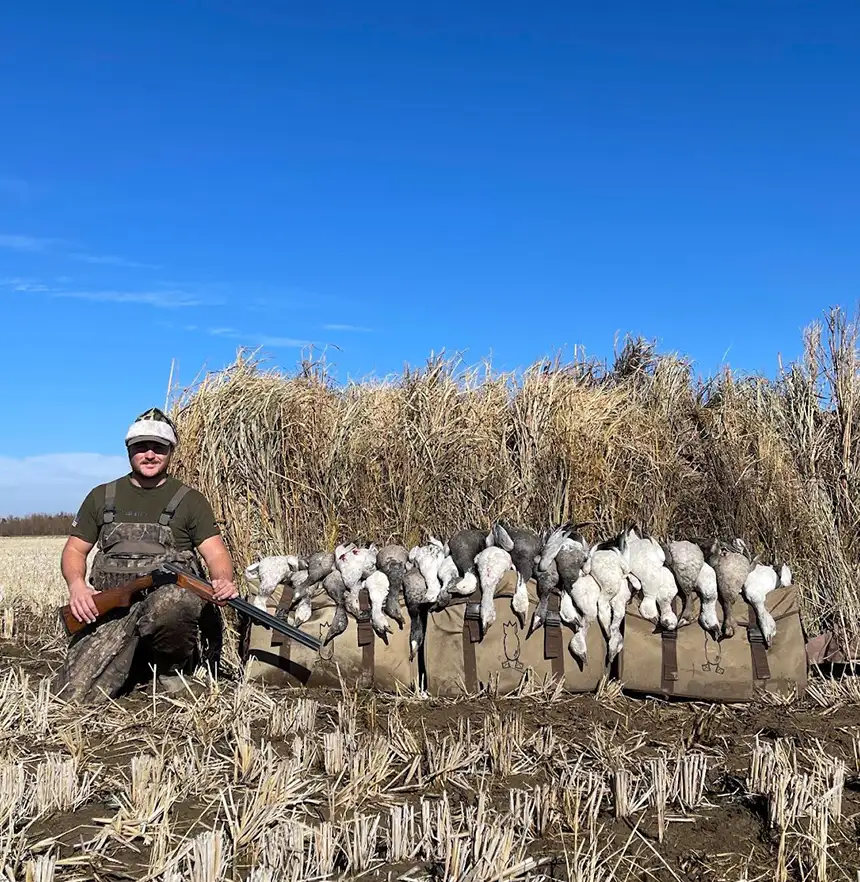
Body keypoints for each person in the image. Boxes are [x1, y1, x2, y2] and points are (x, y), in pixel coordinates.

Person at [51, 407, 239, 703]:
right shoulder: (102, 496)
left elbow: (215, 552)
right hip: (112, 610)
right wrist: (76, 586)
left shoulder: (190, 500)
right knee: (73, 696)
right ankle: (133, 661)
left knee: (175, 602)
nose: (149, 454)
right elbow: (74, 549)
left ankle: (170, 670)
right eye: (141, 447)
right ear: (129, 450)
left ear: (170, 451)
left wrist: (223, 580)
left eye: (158, 447)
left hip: (164, 607)